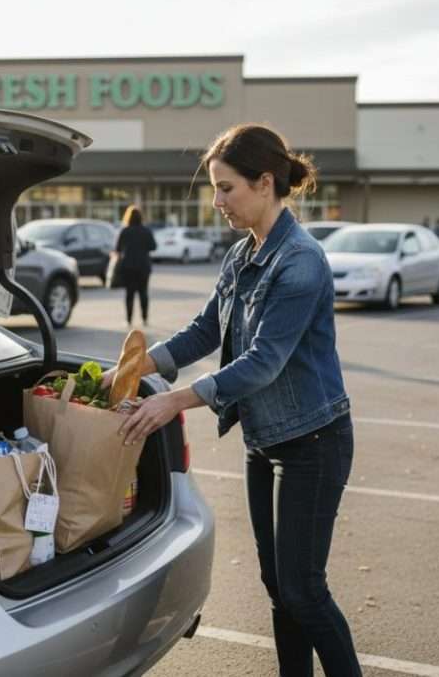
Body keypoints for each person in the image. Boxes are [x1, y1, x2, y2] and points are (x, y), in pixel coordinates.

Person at [108, 123, 362, 677]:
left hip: (313, 442)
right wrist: (133, 367)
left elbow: (263, 362)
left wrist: (173, 402)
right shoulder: (244, 254)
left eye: (226, 188)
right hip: (264, 440)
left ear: (265, 182)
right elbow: (204, 331)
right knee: (279, 587)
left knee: (305, 590)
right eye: (215, 189)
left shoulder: (299, 262)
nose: (217, 201)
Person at [114, 205, 156, 326]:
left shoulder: (125, 231)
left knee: (129, 294)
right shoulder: (146, 231)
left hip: (128, 268)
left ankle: (128, 320)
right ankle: (145, 319)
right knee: (144, 293)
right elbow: (153, 246)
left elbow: (117, 249)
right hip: (143, 267)